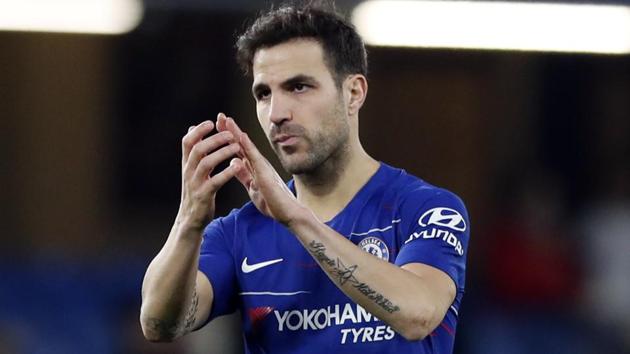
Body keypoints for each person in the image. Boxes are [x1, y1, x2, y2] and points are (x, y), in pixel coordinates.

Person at [140, 3, 470, 354]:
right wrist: (189, 220)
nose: (277, 114)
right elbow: (159, 323)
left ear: (353, 93)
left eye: (298, 87)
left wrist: (296, 218)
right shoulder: (239, 232)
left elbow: (418, 315)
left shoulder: (428, 208)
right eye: (264, 94)